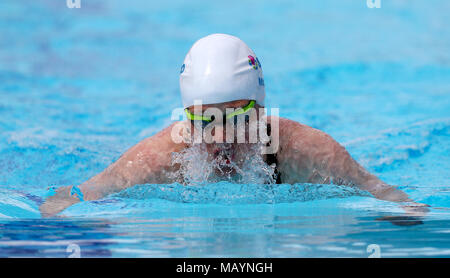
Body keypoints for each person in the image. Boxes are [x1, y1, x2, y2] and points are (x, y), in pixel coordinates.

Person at [40, 34, 428, 219]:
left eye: (239, 118)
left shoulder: (309, 153)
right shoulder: (157, 158)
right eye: (205, 120)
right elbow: (68, 199)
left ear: (261, 112)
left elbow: (397, 201)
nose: (222, 138)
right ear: (186, 117)